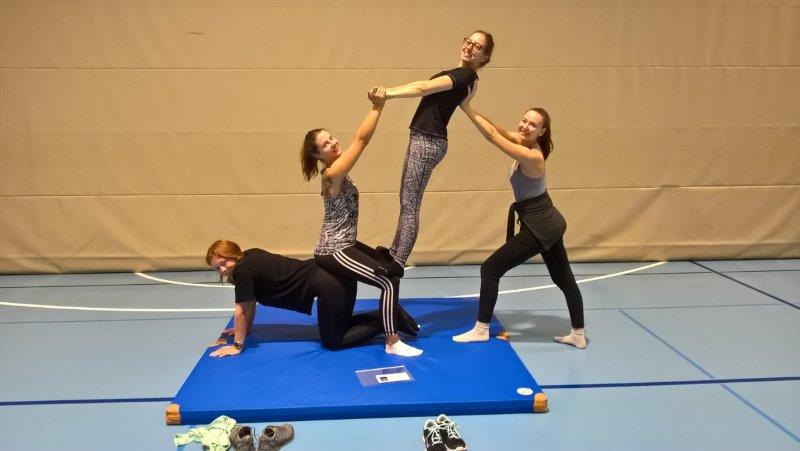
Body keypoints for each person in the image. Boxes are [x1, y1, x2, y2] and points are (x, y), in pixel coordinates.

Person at [452, 85, 587, 349]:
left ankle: (481, 329)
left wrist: (464, 105)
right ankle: (578, 335)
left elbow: (491, 135)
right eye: (524, 121)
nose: (525, 127)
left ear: (542, 131)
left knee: (490, 269)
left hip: (540, 226)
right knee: (563, 279)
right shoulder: (524, 142)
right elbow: (497, 129)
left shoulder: (532, 156)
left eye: (533, 124)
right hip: (546, 222)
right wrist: (470, 107)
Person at [300, 87, 423, 357]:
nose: (333, 143)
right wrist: (378, 107)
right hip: (333, 249)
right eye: (326, 145)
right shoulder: (333, 173)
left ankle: (392, 315)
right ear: (318, 155)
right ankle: (392, 342)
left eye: (331, 138)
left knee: (391, 271)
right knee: (386, 282)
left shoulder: (338, 171)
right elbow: (361, 139)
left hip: (347, 243)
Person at [372, 30, 495, 276]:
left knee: (410, 202)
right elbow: (421, 87)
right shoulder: (462, 76)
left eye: (477, 46)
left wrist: (388, 93)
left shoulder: (465, 75)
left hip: (428, 141)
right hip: (423, 138)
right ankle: (394, 251)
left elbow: (423, 88)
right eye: (468, 41)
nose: (470, 47)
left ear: (484, 57)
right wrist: (388, 91)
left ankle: (398, 262)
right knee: (406, 199)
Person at [206, 239, 392, 357]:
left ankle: (391, 320)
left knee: (334, 341)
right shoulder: (250, 255)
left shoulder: (242, 271)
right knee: (340, 328)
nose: (223, 269)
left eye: (224, 262)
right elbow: (250, 301)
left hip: (331, 284)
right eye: (217, 268)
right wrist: (245, 329)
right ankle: (391, 316)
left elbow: (241, 309)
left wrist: (237, 346)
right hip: (332, 277)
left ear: (232, 254)